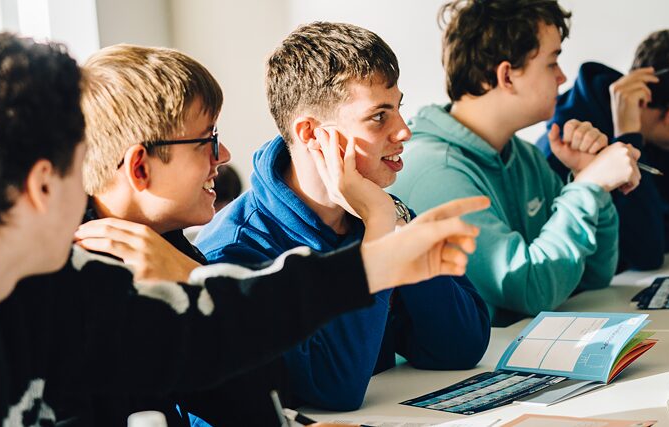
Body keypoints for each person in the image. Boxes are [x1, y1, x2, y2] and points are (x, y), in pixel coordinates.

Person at [0, 28, 487, 426]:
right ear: (43, 185)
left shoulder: (44, 281)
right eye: (79, 163)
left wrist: (374, 264)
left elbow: (211, 326)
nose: (94, 181)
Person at [196, 22, 491, 411]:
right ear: (312, 134)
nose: (404, 131)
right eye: (378, 117)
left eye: (398, 109)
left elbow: (461, 346)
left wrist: (389, 223)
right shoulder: (237, 252)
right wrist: (381, 234)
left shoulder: (377, 210)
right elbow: (333, 389)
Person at [389, 0, 640, 324]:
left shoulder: (522, 156)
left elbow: (593, 275)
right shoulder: (436, 171)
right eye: (552, 63)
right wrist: (588, 186)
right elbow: (531, 291)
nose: (563, 77)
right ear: (507, 75)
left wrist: (587, 180)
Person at [535, 28, 669, 271]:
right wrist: (628, 136)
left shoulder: (665, 138)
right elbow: (646, 254)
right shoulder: (569, 137)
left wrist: (657, 231)